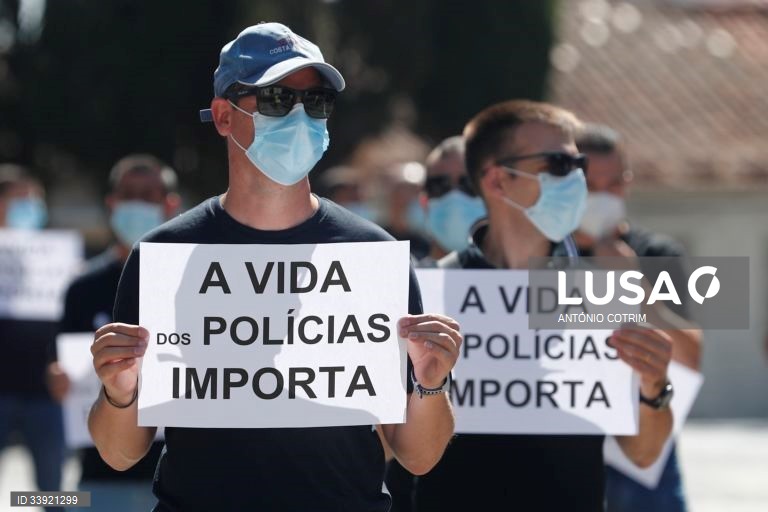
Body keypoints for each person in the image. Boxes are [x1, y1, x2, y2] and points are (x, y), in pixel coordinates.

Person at [87, 22, 462, 512]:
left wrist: (432, 382)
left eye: (317, 101)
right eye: (278, 99)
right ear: (223, 116)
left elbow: (418, 456)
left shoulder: (373, 255)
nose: (303, 116)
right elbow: (119, 454)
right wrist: (119, 391)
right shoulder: (165, 257)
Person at [412, 100, 674, 511]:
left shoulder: (602, 292)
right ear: (498, 181)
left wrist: (654, 386)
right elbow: (401, 452)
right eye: (557, 165)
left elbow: (641, 453)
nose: (575, 180)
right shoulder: (428, 293)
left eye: (577, 165)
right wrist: (429, 385)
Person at [574, 123, 702, 512]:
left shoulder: (657, 253)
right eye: (588, 186)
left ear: (627, 183)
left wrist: (635, 288)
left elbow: (690, 356)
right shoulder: (543, 256)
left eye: (611, 184)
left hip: (644, 440)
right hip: (569, 441)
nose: (601, 196)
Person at [48, 155, 180, 511]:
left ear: (171, 204)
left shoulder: (195, 282)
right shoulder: (81, 287)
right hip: (98, 479)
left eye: (149, 195)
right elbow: (61, 367)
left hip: (177, 479)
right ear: (112, 203)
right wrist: (59, 381)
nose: (138, 204)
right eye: (129, 194)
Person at [0, 164, 65, 512]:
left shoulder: (56, 258)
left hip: (46, 394)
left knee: (54, 495)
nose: (31, 208)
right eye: (21, 200)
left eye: (35, 201)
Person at [418, 136, 485, 265]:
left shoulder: (528, 279)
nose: (454, 196)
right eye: (439, 185)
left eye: (469, 184)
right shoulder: (402, 282)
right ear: (424, 202)